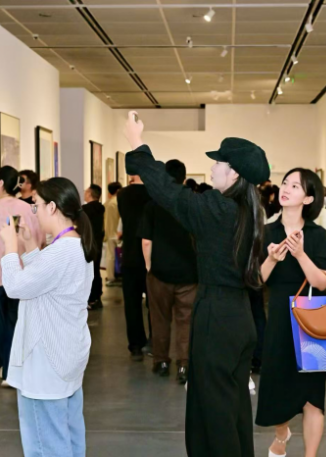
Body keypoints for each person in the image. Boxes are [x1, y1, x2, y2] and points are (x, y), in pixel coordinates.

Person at [124, 112, 268, 457]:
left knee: (214, 411)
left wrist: (137, 143)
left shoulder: (221, 210)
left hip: (217, 317)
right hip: (238, 317)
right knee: (232, 406)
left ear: (234, 173)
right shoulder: (248, 210)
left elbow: (169, 194)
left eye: (218, 163)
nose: (212, 168)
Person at [0, 177, 95, 454]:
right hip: (66, 354)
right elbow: (45, 283)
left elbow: (17, 287)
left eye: (37, 205)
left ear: (52, 207)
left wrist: (10, 249)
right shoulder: (76, 245)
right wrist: (30, 247)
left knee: (46, 444)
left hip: (46, 362)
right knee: (69, 434)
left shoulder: (60, 252)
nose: (35, 212)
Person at [255, 168, 326, 457]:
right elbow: (257, 280)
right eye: (285, 183)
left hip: (313, 318)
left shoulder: (316, 235)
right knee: (278, 385)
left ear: (308, 198)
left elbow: (322, 282)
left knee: (313, 396)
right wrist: (272, 259)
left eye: (295, 186)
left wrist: (300, 254)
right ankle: (281, 433)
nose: (286, 189)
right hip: (279, 316)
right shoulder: (267, 232)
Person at [0, 166, 43, 383]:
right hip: (22, 271)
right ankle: (14, 367)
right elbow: (38, 239)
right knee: (16, 319)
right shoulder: (29, 209)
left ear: (1, 183)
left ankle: (2, 363)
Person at [140, 160, 197, 384]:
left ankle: (162, 361)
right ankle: (184, 364)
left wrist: (149, 266)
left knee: (160, 319)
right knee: (186, 320)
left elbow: (146, 241)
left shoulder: (154, 204)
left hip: (160, 272)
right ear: (184, 177)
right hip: (190, 274)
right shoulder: (193, 204)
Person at [118, 174, 152, 361]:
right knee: (154, 304)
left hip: (130, 254)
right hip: (151, 256)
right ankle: (155, 341)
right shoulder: (154, 193)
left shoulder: (122, 194)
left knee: (132, 304)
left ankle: (136, 345)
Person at [83, 184, 106, 310]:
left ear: (89, 194)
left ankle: (91, 297)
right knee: (96, 270)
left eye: (86, 191)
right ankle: (96, 297)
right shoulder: (101, 208)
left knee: (89, 271)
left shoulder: (85, 210)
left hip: (88, 244)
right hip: (98, 243)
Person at [104, 182, 122, 287]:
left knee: (110, 256)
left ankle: (111, 276)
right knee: (119, 256)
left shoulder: (107, 203)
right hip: (118, 233)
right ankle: (118, 275)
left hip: (109, 233)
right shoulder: (119, 202)